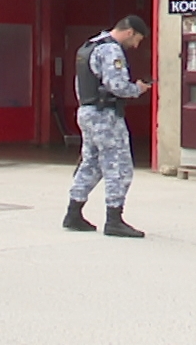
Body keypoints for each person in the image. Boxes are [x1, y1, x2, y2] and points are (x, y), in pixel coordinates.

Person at [63, 14, 151, 237]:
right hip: (105, 116)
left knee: (91, 163)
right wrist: (138, 89)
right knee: (119, 166)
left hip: (87, 111)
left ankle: (73, 212)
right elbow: (117, 85)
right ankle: (114, 219)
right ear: (129, 32)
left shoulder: (90, 46)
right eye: (137, 39)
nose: (136, 45)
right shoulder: (111, 50)